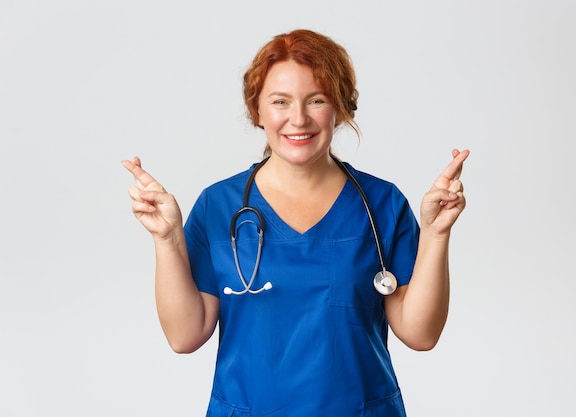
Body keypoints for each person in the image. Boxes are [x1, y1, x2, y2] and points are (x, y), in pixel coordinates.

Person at [122, 29, 469, 417]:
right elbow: (184, 336)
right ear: (258, 111)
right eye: (280, 101)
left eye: (316, 100)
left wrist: (437, 234)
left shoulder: (382, 204)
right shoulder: (218, 207)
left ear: (340, 107)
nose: (298, 119)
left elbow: (420, 334)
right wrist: (168, 239)